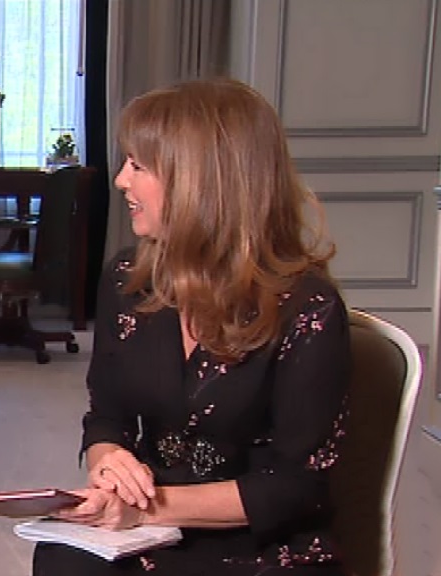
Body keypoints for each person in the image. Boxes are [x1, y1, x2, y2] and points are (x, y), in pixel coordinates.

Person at [33, 78, 351, 575]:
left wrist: (147, 508)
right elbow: (107, 415)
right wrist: (109, 461)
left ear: (202, 181)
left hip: (263, 548)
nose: (121, 180)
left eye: (139, 165)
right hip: (154, 528)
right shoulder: (127, 280)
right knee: (62, 558)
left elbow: (296, 487)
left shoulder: (309, 309)